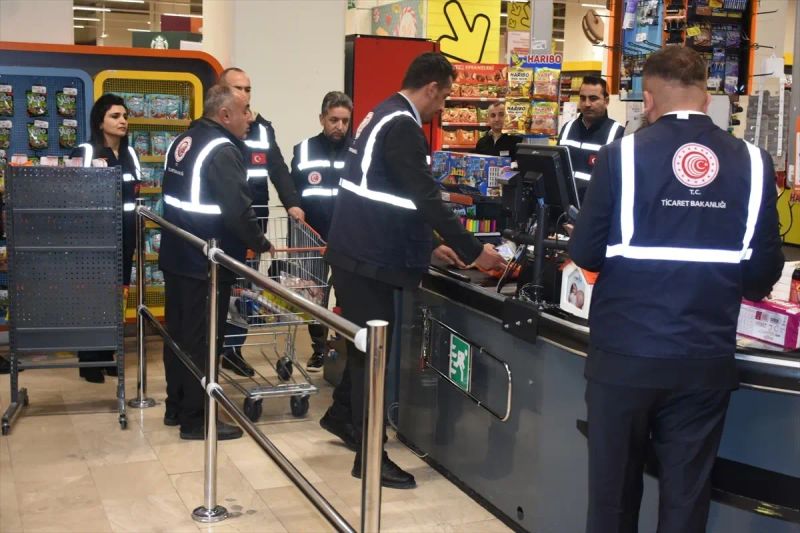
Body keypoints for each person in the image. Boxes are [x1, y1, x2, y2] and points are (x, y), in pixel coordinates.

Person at [568, 46, 783, 533]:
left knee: (612, 498)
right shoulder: (752, 161)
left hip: (624, 356)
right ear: (707, 95)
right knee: (687, 499)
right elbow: (761, 273)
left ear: (648, 97)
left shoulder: (620, 155)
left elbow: (584, 253)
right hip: (702, 361)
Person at [322, 52, 507, 489]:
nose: (442, 107)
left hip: (359, 251)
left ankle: (343, 417)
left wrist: (429, 248)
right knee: (374, 358)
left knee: (364, 349)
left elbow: (390, 197)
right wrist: (473, 249)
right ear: (431, 88)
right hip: (369, 258)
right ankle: (369, 458)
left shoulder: (380, 114)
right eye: (443, 97)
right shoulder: (402, 126)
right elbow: (423, 197)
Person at [159, 84, 273, 441]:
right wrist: (260, 242)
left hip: (177, 253)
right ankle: (198, 418)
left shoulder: (185, 140)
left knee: (178, 336)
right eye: (245, 110)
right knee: (204, 340)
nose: (250, 118)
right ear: (225, 115)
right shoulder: (223, 150)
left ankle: (176, 407)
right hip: (205, 262)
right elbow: (237, 209)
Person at [217, 67, 304, 377]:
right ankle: (216, 346)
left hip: (255, 222)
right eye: (237, 87)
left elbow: (278, 168)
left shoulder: (261, 129)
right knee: (220, 290)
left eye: (248, 88)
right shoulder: (217, 129)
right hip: (223, 224)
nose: (244, 94)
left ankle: (232, 349)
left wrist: (293, 203)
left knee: (244, 289)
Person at [71, 93, 141, 383]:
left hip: (125, 236)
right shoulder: (84, 151)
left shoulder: (131, 153)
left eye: (124, 116)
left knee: (116, 295)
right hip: (92, 238)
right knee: (91, 297)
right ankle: (88, 360)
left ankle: (109, 354)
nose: (122, 121)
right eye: (115, 116)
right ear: (100, 121)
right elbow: (70, 196)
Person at [290, 91, 353, 372]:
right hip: (311, 235)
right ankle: (318, 348)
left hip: (347, 238)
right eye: (333, 120)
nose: (339, 126)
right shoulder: (302, 150)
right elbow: (293, 192)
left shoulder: (358, 151)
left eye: (344, 121)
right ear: (321, 119)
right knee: (314, 297)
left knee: (348, 295)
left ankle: (340, 346)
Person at [557, 76, 624, 196]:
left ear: (606, 101)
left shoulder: (618, 133)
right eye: (583, 98)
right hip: (566, 206)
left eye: (593, 99)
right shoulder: (567, 128)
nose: (587, 104)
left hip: (597, 209)